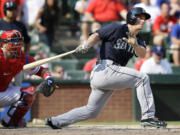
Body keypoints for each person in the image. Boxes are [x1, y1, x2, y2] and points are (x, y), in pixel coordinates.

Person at [45, 7, 167, 129]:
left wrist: (134, 44)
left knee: (91, 111)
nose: (143, 21)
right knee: (142, 78)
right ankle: (148, 117)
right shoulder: (117, 27)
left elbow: (143, 54)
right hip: (105, 68)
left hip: (111, 74)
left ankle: (55, 121)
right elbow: (97, 35)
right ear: (132, 18)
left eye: (144, 18)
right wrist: (87, 44)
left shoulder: (139, 39)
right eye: (140, 17)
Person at [0, 30, 56, 128]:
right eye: (13, 41)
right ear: (3, 43)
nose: (16, 44)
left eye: (18, 41)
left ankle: (10, 121)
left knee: (29, 92)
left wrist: (49, 78)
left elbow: (41, 70)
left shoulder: (22, 58)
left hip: (4, 92)